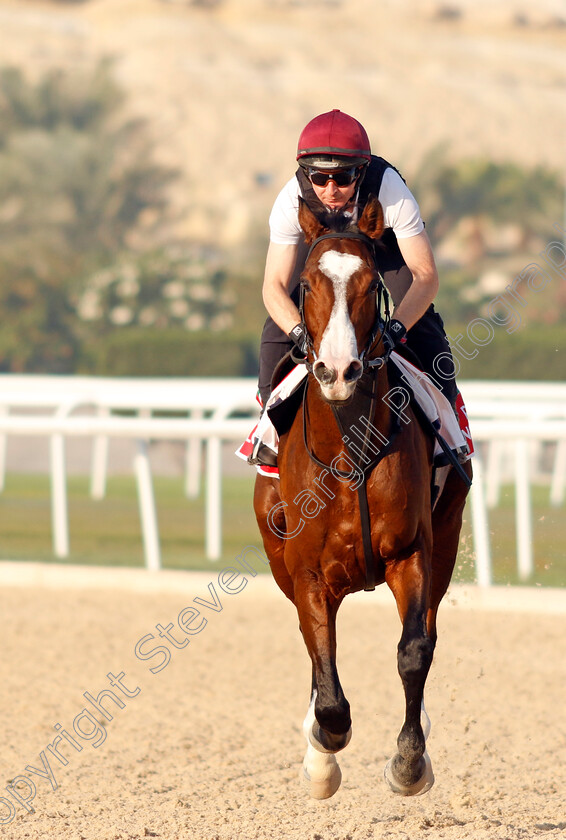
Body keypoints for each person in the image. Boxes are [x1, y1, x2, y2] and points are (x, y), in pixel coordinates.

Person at [254, 109, 460, 462]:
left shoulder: (390, 189)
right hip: (318, 240)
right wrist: (301, 334)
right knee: (276, 330)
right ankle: (269, 435)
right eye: (319, 178)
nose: (330, 190)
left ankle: (451, 435)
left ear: (361, 171)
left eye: (343, 177)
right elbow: (272, 286)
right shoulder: (291, 200)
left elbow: (426, 276)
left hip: (381, 240)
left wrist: (396, 330)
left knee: (424, 327)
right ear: (306, 174)